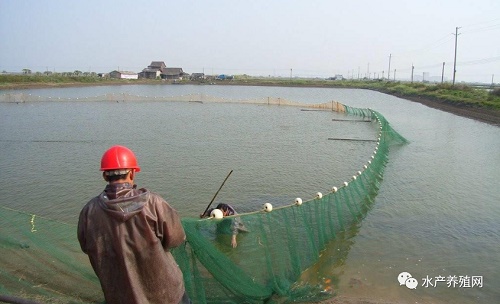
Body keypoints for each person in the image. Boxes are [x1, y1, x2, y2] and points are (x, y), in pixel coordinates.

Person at [77, 145, 190, 304]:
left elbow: (86, 246)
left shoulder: (89, 212)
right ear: (132, 173)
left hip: (120, 297)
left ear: (104, 176)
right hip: (167, 295)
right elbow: (176, 239)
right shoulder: (153, 203)